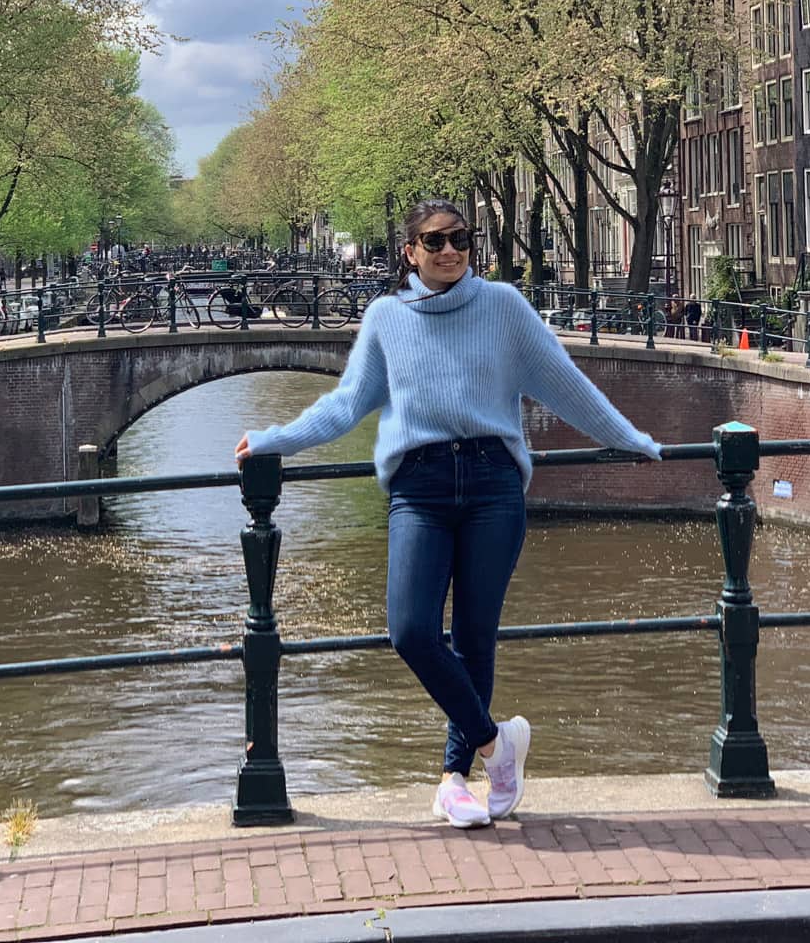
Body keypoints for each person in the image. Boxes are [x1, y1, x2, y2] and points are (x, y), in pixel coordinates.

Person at [234, 197, 663, 830]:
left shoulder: (504, 308)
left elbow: (565, 383)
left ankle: (454, 776)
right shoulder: (386, 318)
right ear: (409, 253)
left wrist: (633, 439)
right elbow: (346, 404)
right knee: (409, 629)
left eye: (460, 238)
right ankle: (498, 746)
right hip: (420, 485)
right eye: (434, 242)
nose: (450, 251)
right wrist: (274, 439)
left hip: (493, 484)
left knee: (474, 638)